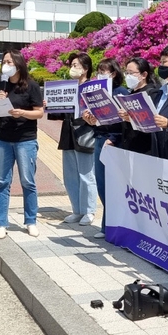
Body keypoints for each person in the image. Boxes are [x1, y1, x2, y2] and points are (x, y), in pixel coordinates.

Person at [0, 51, 44, 239]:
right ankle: (1, 223)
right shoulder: (1, 86)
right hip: (3, 138)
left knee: (27, 181)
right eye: (4, 61)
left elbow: (39, 113)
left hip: (26, 139)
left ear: (18, 64)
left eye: (9, 61)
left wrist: (22, 112)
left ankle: (30, 221)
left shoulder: (32, 86)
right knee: (2, 181)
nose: (5, 64)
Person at [82, 58, 128, 240]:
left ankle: (113, 225)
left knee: (113, 185)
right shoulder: (97, 93)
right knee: (101, 184)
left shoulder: (121, 93)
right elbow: (100, 122)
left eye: (104, 71)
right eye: (99, 71)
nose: (100, 74)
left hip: (114, 143)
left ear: (113, 73)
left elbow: (126, 124)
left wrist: (114, 138)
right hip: (100, 140)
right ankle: (106, 225)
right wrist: (90, 121)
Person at [51, 52, 98, 226]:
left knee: (86, 174)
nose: (72, 68)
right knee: (70, 174)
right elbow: (63, 111)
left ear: (86, 69)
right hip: (68, 132)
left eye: (76, 65)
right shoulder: (69, 87)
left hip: (85, 132)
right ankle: (77, 210)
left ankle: (89, 211)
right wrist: (51, 106)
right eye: (71, 65)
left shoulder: (92, 88)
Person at [117, 57, 164, 157]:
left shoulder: (152, 93)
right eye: (126, 73)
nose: (128, 76)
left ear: (144, 75)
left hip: (145, 148)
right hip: (129, 145)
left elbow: (153, 122)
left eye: (131, 73)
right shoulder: (129, 93)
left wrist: (132, 118)